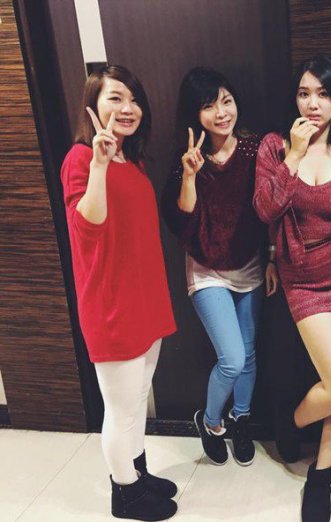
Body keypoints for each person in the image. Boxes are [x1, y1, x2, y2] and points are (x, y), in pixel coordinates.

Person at [253, 55, 331, 522]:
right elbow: (265, 210)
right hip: (303, 283)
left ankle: (320, 477)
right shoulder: (275, 147)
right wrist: (294, 156)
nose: (313, 103)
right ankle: (290, 420)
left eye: (323, 94)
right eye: (304, 93)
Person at [60, 65, 178, 520]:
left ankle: (138, 472)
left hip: (144, 298)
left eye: (134, 99)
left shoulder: (133, 159)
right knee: (121, 408)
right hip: (112, 306)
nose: (128, 108)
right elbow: (87, 227)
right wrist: (99, 165)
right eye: (115, 98)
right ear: (92, 105)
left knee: (138, 397)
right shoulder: (81, 159)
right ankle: (125, 494)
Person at [162, 67, 277, 467]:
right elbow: (180, 221)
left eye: (226, 101)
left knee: (248, 354)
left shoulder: (256, 148)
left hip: (249, 264)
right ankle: (211, 422)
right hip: (206, 267)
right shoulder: (188, 161)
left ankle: (240, 419)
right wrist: (190, 176)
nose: (221, 113)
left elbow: (272, 207)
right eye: (209, 106)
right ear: (196, 114)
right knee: (231, 358)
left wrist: (273, 257)